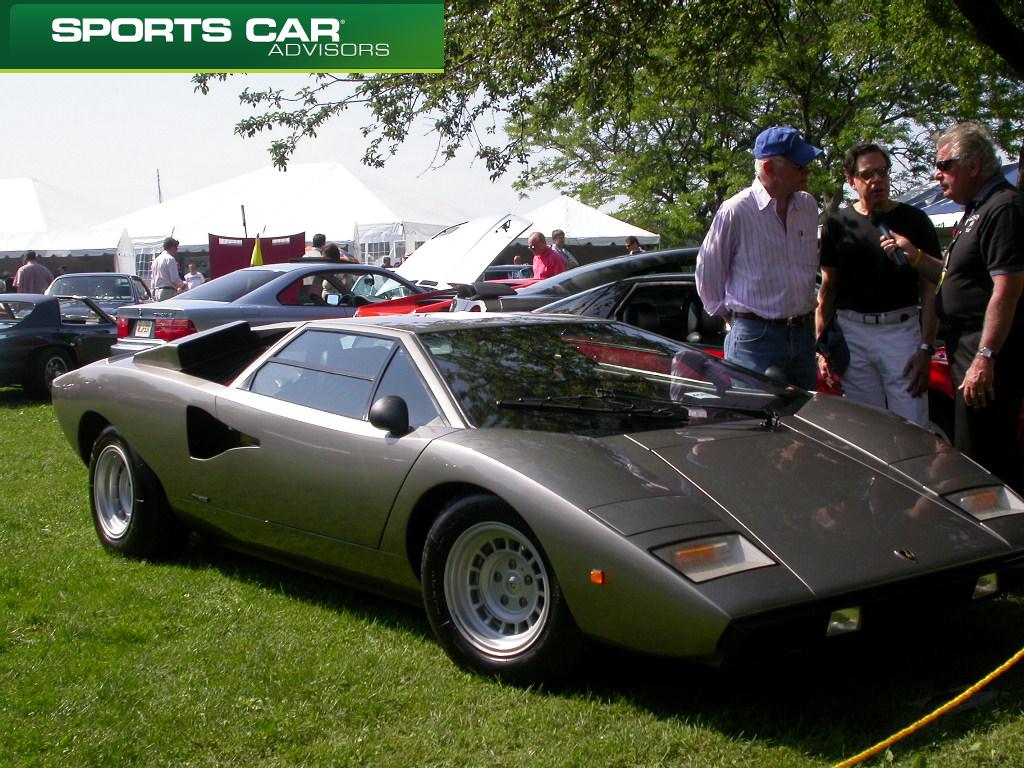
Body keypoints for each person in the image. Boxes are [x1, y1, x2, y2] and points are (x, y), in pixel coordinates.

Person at [881, 122, 1024, 492]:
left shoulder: (1002, 208)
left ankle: (1001, 537)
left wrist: (985, 355)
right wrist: (914, 257)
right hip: (963, 347)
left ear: (974, 165)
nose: (937, 174)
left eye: (945, 165)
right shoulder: (976, 209)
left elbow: (1006, 289)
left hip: (985, 353)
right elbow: (951, 277)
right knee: (972, 451)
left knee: (988, 459)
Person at [816, 143, 941, 427]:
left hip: (902, 333)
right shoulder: (837, 224)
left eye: (882, 172)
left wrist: (926, 347)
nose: (877, 180)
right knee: (864, 428)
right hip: (853, 335)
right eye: (867, 174)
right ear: (851, 180)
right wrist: (821, 346)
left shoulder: (915, 220)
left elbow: (932, 285)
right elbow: (828, 289)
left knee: (912, 425)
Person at [696, 125, 823, 389]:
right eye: (799, 165)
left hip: (802, 334)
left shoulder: (808, 206)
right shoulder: (736, 210)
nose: (807, 171)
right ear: (769, 169)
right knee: (756, 420)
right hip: (755, 339)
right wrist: (736, 320)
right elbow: (707, 273)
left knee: (807, 420)